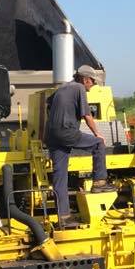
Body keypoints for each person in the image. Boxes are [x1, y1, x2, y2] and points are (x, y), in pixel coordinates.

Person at [44, 65, 108, 226]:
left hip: (51, 136)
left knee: (60, 176)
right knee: (99, 144)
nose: (93, 85)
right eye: (92, 82)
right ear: (85, 79)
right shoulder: (79, 88)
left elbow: (48, 104)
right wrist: (97, 134)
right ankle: (99, 183)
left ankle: (64, 217)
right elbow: (87, 115)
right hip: (67, 132)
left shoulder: (62, 88)